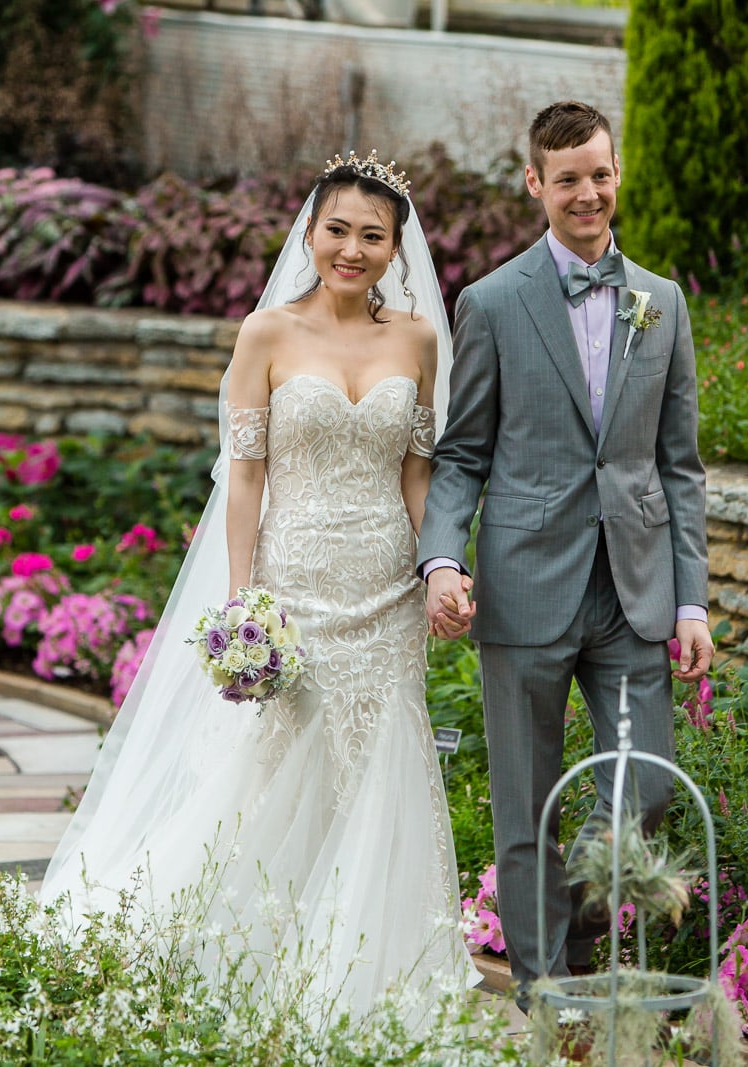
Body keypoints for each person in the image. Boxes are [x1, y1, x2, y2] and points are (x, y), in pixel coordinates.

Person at [41, 151, 477, 1024]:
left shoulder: (421, 340)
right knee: (275, 772)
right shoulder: (266, 334)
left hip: (386, 589)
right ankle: (259, 949)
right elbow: (243, 479)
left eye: (373, 237)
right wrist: (245, 601)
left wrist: (444, 568)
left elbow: (421, 476)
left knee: (380, 766)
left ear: (397, 248)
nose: (352, 250)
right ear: (310, 232)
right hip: (295, 585)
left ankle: (369, 979)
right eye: (337, 231)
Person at [417, 100, 715, 996]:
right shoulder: (495, 303)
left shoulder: (660, 303)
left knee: (649, 785)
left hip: (634, 587)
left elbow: (681, 465)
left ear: (617, 172)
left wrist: (692, 600)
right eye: (568, 179)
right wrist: (442, 561)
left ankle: (573, 920)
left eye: (601, 174)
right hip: (522, 584)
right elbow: (461, 451)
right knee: (524, 805)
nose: (588, 194)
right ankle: (549, 990)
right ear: (535, 184)